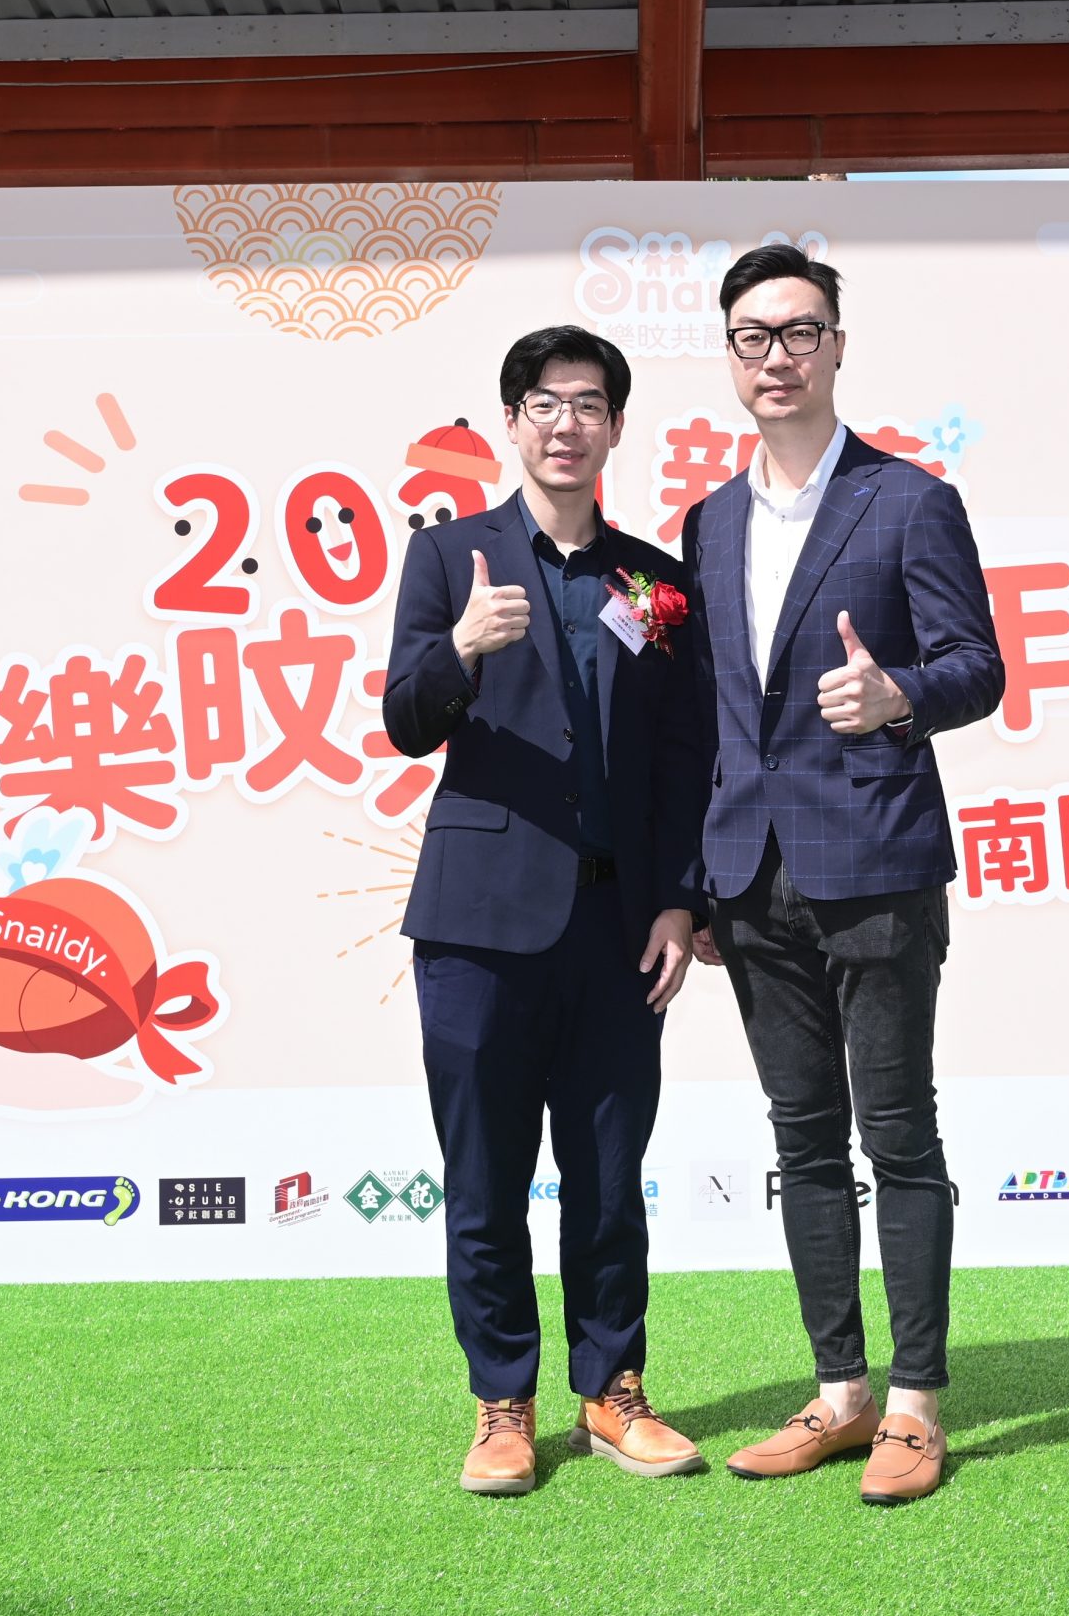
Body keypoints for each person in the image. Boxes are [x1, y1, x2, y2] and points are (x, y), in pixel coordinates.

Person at [682, 244, 1005, 1504]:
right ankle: (840, 1391)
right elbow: (710, 717)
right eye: (753, 335)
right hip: (748, 874)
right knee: (803, 1137)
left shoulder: (909, 501)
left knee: (899, 1131)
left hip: (874, 862)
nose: (777, 356)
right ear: (730, 354)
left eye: (800, 331)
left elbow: (977, 667)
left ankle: (914, 1403)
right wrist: (697, 880)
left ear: (836, 347)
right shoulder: (708, 521)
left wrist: (896, 694)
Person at [383, 325, 713, 1496]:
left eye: (587, 403)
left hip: (618, 929)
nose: (565, 423)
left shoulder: (655, 579)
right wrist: (460, 648)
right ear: (512, 422)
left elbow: (684, 757)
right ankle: (502, 1403)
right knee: (484, 1178)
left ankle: (613, 1391)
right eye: (543, 402)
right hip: (476, 925)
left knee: (610, 1177)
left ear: (615, 426)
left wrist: (680, 901)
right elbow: (405, 719)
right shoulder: (449, 558)